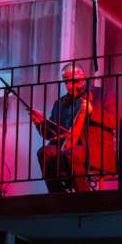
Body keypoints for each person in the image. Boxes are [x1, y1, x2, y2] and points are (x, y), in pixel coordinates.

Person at [30, 64, 116, 193]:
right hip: (67, 145)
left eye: (74, 81)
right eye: (66, 82)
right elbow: (50, 133)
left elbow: (115, 121)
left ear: (84, 77)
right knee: (44, 152)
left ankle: (83, 197)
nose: (70, 86)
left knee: (71, 153)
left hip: (94, 147)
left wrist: (92, 111)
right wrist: (39, 123)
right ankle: (58, 196)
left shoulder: (103, 94)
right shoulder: (60, 103)